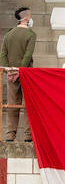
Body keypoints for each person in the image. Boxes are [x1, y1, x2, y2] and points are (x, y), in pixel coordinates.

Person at [2, 8, 35, 142]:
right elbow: (28, 55)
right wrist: (20, 70)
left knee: (12, 104)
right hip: (26, 74)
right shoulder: (31, 34)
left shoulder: (9, 34)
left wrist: (9, 70)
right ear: (26, 19)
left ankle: (10, 134)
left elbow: (2, 54)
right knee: (28, 105)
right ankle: (28, 135)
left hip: (10, 74)